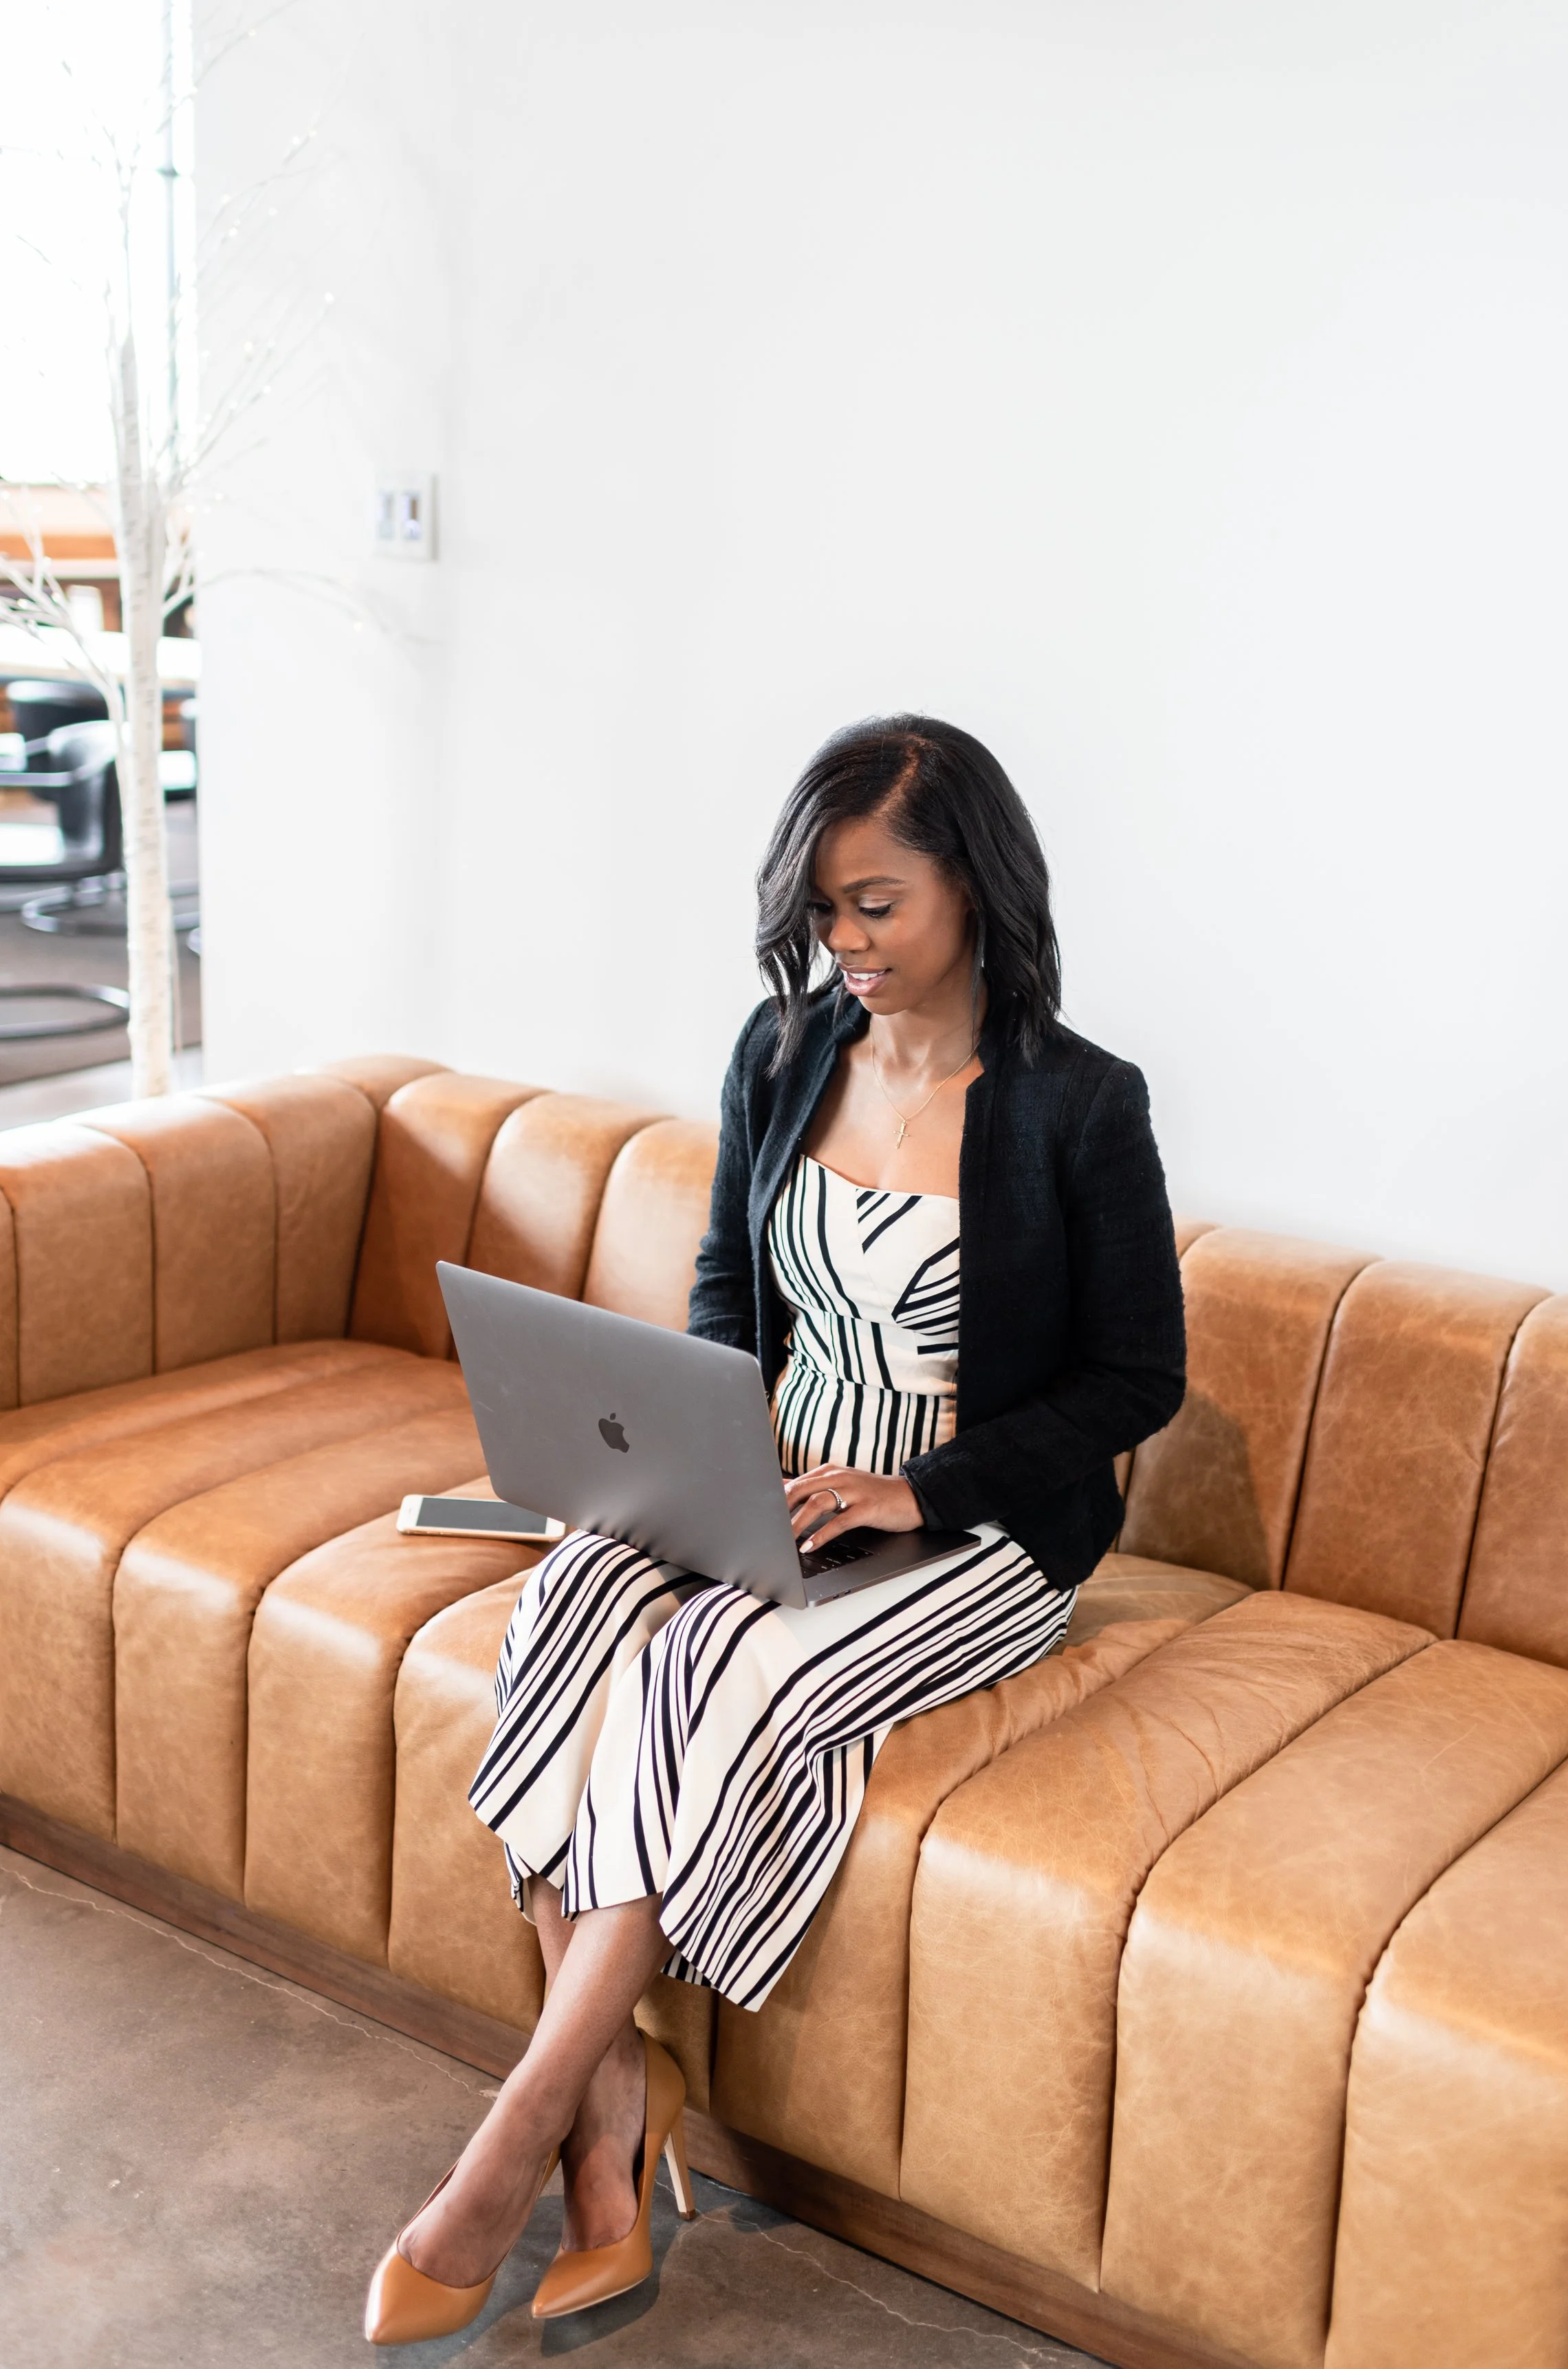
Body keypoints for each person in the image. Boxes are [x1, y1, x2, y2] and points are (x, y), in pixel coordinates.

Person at [364, 714, 1186, 2343]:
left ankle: (520, 2126)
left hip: (978, 1530)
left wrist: (922, 1489)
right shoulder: (780, 1049)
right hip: (776, 1478)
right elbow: (732, 1288)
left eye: (874, 902)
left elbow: (1135, 1378)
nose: (843, 942)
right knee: (575, 1604)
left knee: (701, 1678)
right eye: (820, 911)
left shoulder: (1076, 1104)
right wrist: (704, 1446)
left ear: (975, 883)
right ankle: (614, 2114)